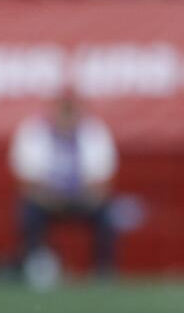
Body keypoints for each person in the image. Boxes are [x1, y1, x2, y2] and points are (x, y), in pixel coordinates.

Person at [9, 89, 117, 281]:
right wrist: (50, 197)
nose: (67, 116)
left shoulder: (94, 132)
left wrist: (84, 196)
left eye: (71, 110)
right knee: (28, 212)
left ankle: (103, 271)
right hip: (45, 199)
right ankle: (36, 267)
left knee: (108, 214)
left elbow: (103, 181)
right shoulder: (34, 131)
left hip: (84, 198)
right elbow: (27, 181)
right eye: (63, 110)